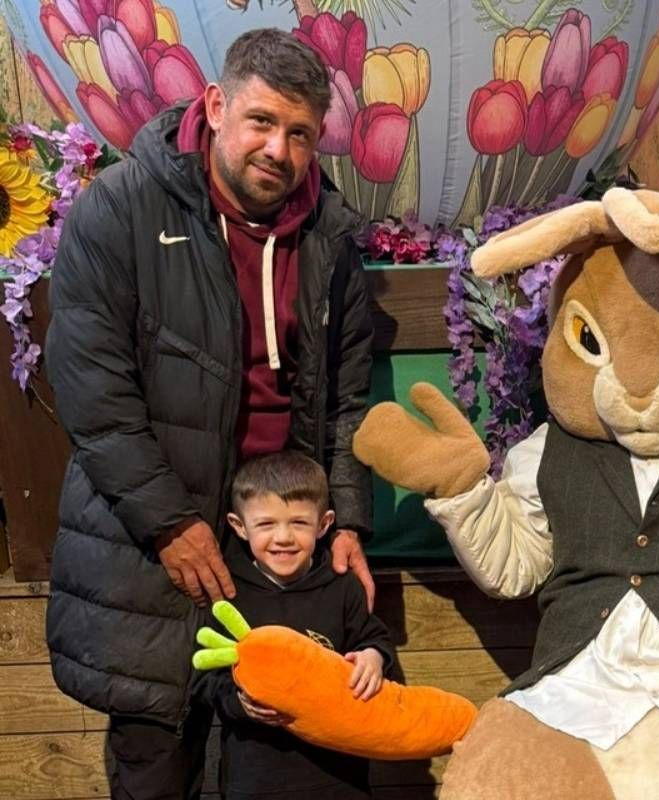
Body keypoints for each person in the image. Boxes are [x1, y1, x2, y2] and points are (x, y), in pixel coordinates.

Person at [44, 28, 376, 799]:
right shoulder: (119, 210)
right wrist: (168, 521)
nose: (279, 150)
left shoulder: (329, 236)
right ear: (217, 106)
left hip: (278, 541)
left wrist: (346, 520)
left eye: (300, 133)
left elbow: (346, 398)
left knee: (282, 764)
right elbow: (93, 391)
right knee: (159, 757)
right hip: (151, 542)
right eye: (261, 121)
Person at [195, 451, 397, 800]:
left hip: (339, 779)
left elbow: (374, 637)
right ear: (239, 526)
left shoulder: (342, 586)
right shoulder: (228, 596)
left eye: (299, 523)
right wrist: (239, 703)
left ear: (324, 524)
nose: (284, 537)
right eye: (266, 524)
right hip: (255, 782)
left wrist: (374, 658)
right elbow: (205, 679)